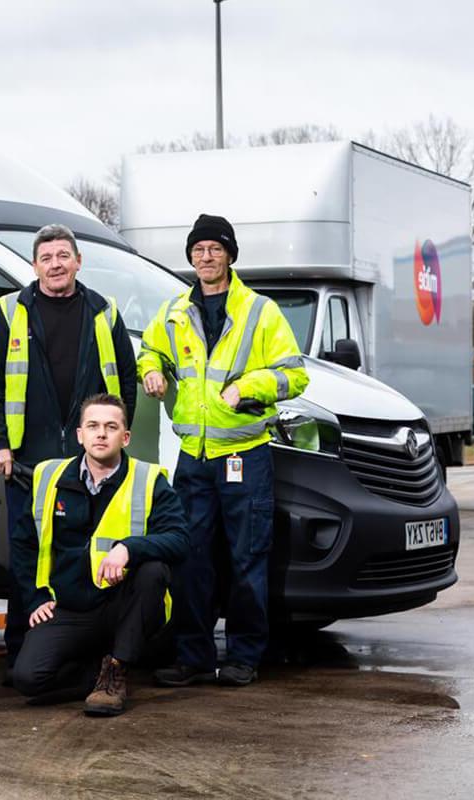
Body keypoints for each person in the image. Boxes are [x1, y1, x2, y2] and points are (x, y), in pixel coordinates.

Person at [138, 213, 308, 688]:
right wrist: (151, 370)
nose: (206, 257)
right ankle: (192, 656)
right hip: (193, 456)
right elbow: (150, 351)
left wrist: (249, 386)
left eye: (215, 249)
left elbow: (294, 374)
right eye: (198, 250)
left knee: (247, 558)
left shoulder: (260, 311)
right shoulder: (174, 311)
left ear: (230, 255)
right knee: (189, 558)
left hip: (244, 455)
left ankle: (243, 657)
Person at [0, 223, 138, 676]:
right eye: (46, 257)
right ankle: (21, 649)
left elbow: (125, 379)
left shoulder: (102, 311)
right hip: (26, 460)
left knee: (82, 550)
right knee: (26, 556)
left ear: (78, 262)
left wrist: (115, 435)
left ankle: (84, 650)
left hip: (86, 461)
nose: (55, 264)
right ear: (34, 265)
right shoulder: (9, 310)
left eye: (63, 255)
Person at [12, 394, 188, 716]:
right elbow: (24, 543)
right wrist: (35, 598)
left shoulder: (150, 480)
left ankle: (116, 670)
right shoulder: (49, 477)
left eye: (111, 426)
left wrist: (128, 549)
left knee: (153, 570)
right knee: (27, 679)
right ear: (80, 434)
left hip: (123, 604)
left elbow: (179, 539)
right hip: (70, 606)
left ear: (126, 437)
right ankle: (94, 672)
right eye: (93, 426)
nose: (101, 433)